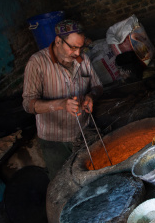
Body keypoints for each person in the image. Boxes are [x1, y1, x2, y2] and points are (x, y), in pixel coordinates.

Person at [22, 20, 103, 180]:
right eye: (73, 47)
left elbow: (98, 86)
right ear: (58, 41)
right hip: (55, 140)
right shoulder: (37, 63)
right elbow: (28, 104)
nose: (77, 53)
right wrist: (60, 104)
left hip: (83, 131)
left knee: (91, 175)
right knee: (65, 182)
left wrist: (91, 96)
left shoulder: (83, 59)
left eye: (80, 47)